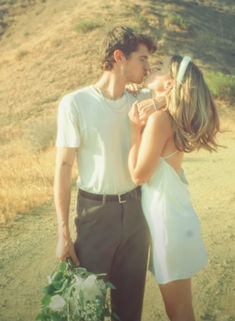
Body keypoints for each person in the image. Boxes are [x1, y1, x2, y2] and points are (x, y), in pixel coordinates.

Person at [54, 26, 158, 321]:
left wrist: (158, 99)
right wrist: (63, 233)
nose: (148, 68)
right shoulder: (75, 103)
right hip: (95, 216)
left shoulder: (142, 100)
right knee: (88, 307)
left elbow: (186, 90)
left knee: (129, 312)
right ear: (119, 57)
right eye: (143, 60)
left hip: (138, 215)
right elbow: (63, 168)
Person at [128, 55, 220, 321]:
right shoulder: (170, 116)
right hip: (175, 220)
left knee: (179, 314)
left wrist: (134, 130)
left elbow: (138, 175)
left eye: (157, 70)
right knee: (181, 311)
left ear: (169, 84)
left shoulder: (160, 120)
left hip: (168, 226)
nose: (150, 72)